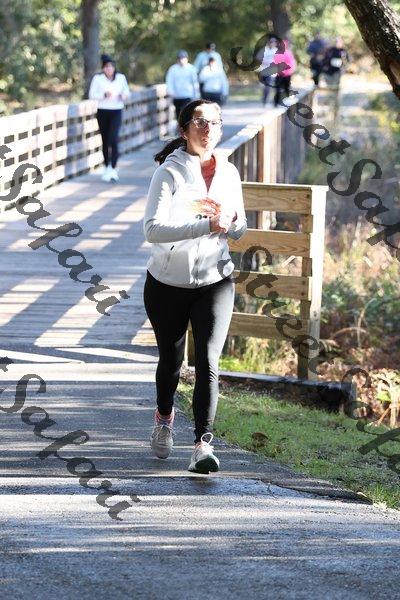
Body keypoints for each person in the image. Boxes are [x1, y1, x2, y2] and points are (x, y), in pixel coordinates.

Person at [143, 99, 247, 474]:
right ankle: (164, 417)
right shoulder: (168, 173)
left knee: (208, 361)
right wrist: (207, 225)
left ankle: (203, 445)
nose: (208, 129)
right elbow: (152, 230)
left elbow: (240, 228)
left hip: (215, 281)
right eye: (200, 122)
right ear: (185, 129)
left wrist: (231, 222)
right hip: (167, 283)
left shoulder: (229, 173)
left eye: (215, 123)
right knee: (171, 362)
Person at [88, 54, 130, 182]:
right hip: (103, 111)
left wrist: (123, 96)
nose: (108, 69)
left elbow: (127, 92)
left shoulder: (121, 78)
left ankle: (114, 167)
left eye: (111, 67)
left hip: (116, 110)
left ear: (114, 67)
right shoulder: (98, 79)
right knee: (105, 140)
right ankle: (107, 166)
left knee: (114, 138)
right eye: (106, 67)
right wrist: (103, 95)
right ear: (103, 68)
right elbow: (92, 95)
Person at [166, 50, 199, 121]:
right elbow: (169, 82)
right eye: (180, 58)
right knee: (178, 114)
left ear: (187, 59)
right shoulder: (173, 69)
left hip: (188, 95)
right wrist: (171, 92)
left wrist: (196, 95)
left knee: (186, 113)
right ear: (177, 60)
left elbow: (195, 82)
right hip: (177, 96)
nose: (181, 60)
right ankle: (180, 127)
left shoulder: (191, 69)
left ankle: (185, 127)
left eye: (183, 58)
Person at [272, 39, 296, 107]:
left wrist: (287, 70)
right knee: (278, 89)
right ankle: (276, 103)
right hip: (280, 74)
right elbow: (275, 63)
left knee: (286, 88)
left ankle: (286, 102)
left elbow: (291, 63)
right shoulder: (277, 53)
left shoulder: (288, 53)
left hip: (286, 75)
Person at [256, 35, 278, 106]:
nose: (272, 43)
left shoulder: (276, 51)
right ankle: (264, 100)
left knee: (269, 86)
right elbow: (258, 58)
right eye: (271, 42)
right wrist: (264, 61)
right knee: (264, 87)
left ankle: (269, 101)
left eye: (274, 42)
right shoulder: (264, 50)